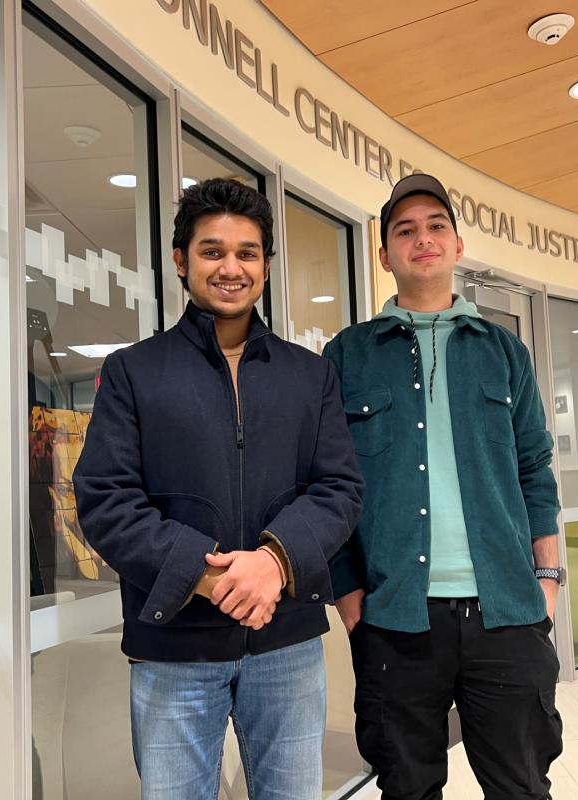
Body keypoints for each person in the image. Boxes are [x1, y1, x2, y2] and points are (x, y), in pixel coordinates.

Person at [74, 178, 363, 800]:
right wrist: (209, 578)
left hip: (286, 639)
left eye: (247, 253)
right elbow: (106, 498)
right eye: (212, 251)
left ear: (264, 266)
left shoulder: (310, 375)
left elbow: (339, 487)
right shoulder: (134, 371)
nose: (230, 267)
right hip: (172, 643)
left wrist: (272, 564)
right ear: (181, 262)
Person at [324, 174, 564, 800]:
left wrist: (549, 580)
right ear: (385, 255)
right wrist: (350, 599)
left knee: (521, 787)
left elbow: (535, 469)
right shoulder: (346, 356)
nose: (421, 239)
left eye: (435, 227)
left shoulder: (504, 352)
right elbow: (327, 483)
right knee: (407, 789)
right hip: (395, 619)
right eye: (405, 231)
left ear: (457, 246)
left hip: (507, 613)